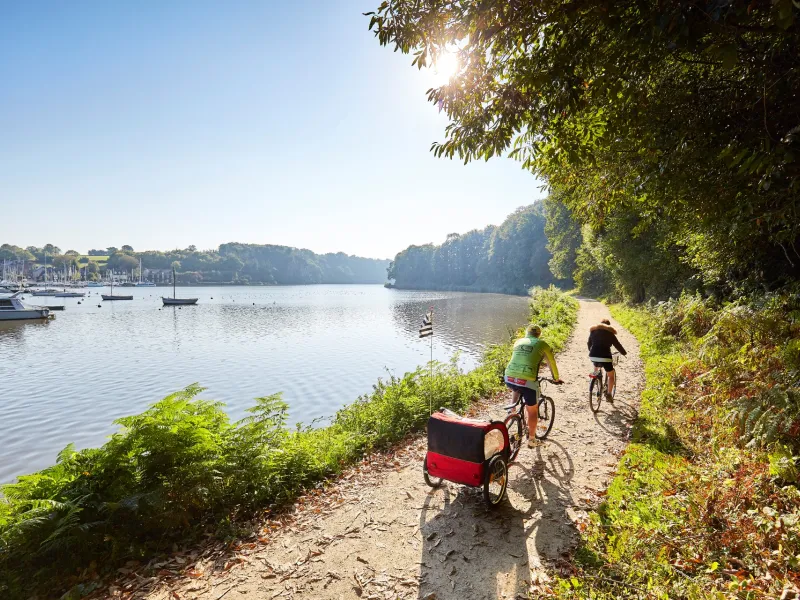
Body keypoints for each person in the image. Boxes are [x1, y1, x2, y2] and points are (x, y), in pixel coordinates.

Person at [504, 324, 563, 447]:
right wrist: (556, 379)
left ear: (527, 333)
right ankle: (531, 440)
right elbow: (551, 362)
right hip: (528, 380)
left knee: (517, 385)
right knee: (532, 410)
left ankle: (512, 409)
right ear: (538, 334)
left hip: (508, 377)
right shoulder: (542, 344)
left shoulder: (518, 342)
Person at [588, 318, 627, 401]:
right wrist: (624, 353)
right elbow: (617, 345)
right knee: (611, 376)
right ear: (609, 326)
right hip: (606, 357)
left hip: (593, 355)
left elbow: (589, 343)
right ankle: (609, 394)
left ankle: (595, 380)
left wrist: (591, 351)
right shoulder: (610, 333)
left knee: (596, 364)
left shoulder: (593, 332)